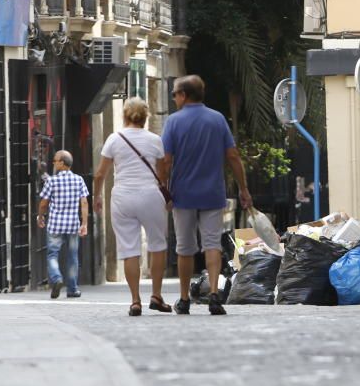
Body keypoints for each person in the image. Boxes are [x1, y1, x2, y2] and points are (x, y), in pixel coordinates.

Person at [158, 75, 252, 316]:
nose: (174, 98)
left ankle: (184, 299)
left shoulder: (173, 122)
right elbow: (233, 156)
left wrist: (163, 187)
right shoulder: (217, 119)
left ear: (184, 95)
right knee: (212, 244)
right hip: (212, 192)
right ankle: (213, 295)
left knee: (185, 247)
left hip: (183, 194)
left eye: (175, 93)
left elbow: (166, 160)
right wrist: (243, 189)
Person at [93, 97, 172, 316]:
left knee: (129, 249)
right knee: (157, 245)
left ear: (124, 116)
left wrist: (97, 197)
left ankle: (135, 301)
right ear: (146, 117)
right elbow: (162, 173)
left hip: (122, 197)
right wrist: (164, 193)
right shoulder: (155, 140)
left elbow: (100, 173)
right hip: (150, 195)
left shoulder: (114, 139)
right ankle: (156, 295)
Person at [37, 150, 89, 299]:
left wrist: (40, 216)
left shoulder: (51, 181)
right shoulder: (79, 180)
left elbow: (43, 203)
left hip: (55, 224)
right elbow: (84, 202)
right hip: (72, 224)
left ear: (62, 163)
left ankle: (57, 278)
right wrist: (84, 223)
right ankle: (72, 289)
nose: (53, 163)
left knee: (52, 254)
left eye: (55, 160)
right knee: (73, 256)